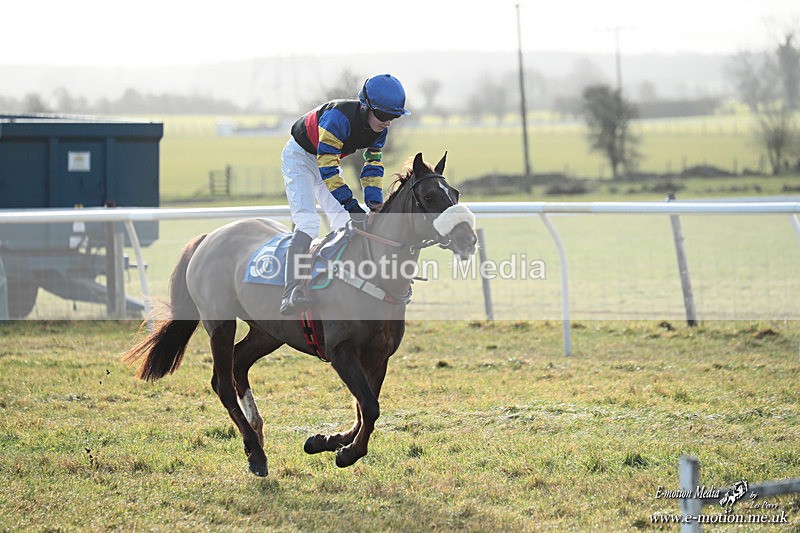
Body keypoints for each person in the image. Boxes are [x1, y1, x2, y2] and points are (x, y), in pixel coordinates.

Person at [279, 74, 411, 316]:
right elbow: (327, 169)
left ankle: (345, 281)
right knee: (308, 224)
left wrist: (373, 204)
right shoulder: (337, 119)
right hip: (300, 159)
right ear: (366, 107)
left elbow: (372, 168)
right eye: (384, 116)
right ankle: (291, 291)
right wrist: (352, 205)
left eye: (394, 117)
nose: (388, 123)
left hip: (325, 161)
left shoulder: (379, 130)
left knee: (346, 225)